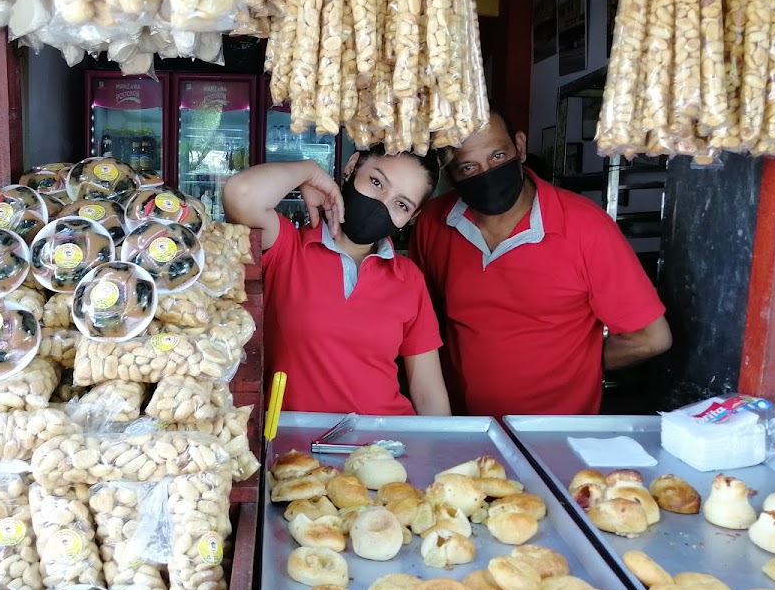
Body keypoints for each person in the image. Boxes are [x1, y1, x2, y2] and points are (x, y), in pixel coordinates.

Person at [410, 107, 671, 417]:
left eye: (497, 156)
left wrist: (579, 366)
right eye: (467, 167)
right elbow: (420, 321)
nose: (486, 173)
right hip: (460, 428)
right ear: (449, 173)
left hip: (554, 434)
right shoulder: (433, 222)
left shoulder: (586, 227)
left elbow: (651, 338)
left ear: (519, 147)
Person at [223, 146, 451, 417]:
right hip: (294, 444)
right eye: (376, 182)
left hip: (385, 444)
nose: (381, 204)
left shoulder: (408, 277)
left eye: (401, 204)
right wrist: (308, 172)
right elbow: (241, 194)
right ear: (352, 166)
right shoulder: (289, 247)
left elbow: (428, 392)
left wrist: (440, 451)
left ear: (411, 217)